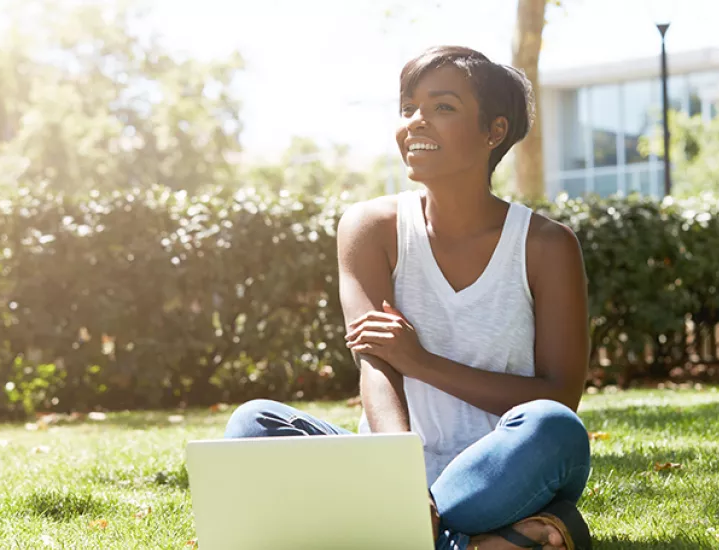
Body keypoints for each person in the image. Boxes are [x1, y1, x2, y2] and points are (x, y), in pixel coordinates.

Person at [223, 45, 592, 550]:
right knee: (253, 424)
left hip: (503, 470)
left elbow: (558, 396)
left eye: (442, 107)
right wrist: (399, 480)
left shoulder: (546, 245)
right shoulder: (370, 228)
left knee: (556, 428)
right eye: (408, 108)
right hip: (388, 465)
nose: (416, 122)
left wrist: (422, 361)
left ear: (495, 131)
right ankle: (475, 540)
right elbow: (376, 363)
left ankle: (401, 531)